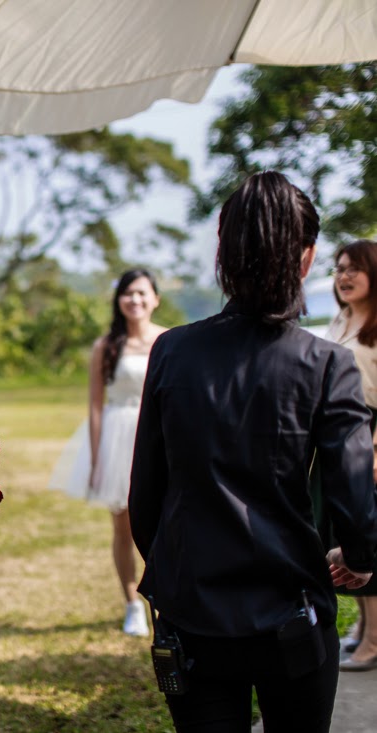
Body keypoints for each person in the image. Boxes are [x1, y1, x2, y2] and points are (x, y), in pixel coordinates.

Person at [129, 171, 377, 732]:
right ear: (306, 258)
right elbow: (353, 487)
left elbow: (146, 492)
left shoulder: (172, 351)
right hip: (292, 608)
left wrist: (176, 572)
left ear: (224, 250)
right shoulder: (326, 363)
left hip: (193, 610)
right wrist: (359, 556)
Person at [48, 268, 167, 636]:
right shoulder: (107, 345)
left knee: (166, 522)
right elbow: (96, 405)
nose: (135, 300)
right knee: (124, 525)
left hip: (157, 434)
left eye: (142, 293)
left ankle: (165, 598)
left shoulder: (168, 340)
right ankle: (132, 602)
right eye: (128, 293)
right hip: (119, 435)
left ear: (155, 299)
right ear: (119, 300)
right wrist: (98, 458)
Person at [324, 239, 377, 671]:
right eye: (339, 268)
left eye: (354, 268)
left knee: (369, 538)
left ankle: (374, 642)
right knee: (347, 535)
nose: (344, 276)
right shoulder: (339, 320)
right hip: (343, 435)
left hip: (371, 439)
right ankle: (362, 627)